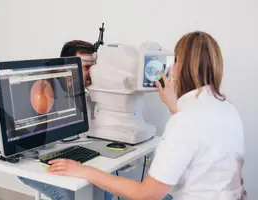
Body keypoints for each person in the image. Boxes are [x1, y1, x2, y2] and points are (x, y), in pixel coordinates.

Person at [45, 31, 246, 200]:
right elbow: (200, 134)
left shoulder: (185, 121)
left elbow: (147, 195)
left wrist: (84, 171)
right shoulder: (227, 109)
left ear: (181, 67)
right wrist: (174, 108)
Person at [17, 40, 116, 200]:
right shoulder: (45, 91)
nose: (92, 73)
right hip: (33, 163)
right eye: (86, 67)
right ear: (67, 66)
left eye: (94, 67)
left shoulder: (89, 93)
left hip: (69, 154)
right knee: (69, 196)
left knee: (107, 186)